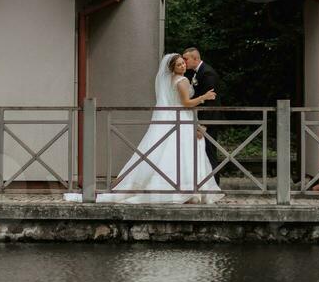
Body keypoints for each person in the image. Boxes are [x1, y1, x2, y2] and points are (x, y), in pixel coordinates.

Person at [65, 54, 223, 204]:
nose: (182, 66)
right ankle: (185, 188)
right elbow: (186, 103)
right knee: (183, 152)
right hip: (181, 119)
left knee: (172, 152)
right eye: (179, 64)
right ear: (173, 68)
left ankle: (180, 188)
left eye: (183, 63)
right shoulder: (182, 80)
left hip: (175, 118)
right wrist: (204, 97)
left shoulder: (170, 79)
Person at [183, 48, 222, 185]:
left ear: (195, 58)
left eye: (186, 59)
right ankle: (207, 183)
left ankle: (215, 184)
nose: (184, 61)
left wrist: (203, 124)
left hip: (208, 121)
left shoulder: (207, 73)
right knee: (204, 151)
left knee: (209, 151)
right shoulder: (197, 72)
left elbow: (211, 102)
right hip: (200, 119)